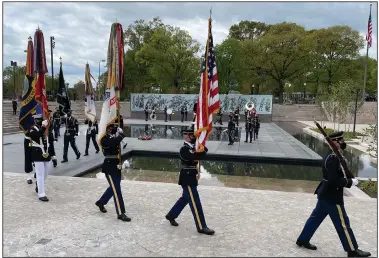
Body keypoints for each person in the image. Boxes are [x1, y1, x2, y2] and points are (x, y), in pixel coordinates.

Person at [296, 131, 371, 257]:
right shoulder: (333, 158)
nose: (342, 143)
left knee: (315, 219)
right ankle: (352, 250)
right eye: (339, 141)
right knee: (343, 224)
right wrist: (349, 182)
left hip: (325, 194)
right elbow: (334, 180)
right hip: (332, 196)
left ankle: (303, 239)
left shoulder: (333, 156)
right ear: (334, 142)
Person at [165, 128, 215, 235]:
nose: (194, 137)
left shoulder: (194, 147)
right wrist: (199, 149)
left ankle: (171, 215)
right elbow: (194, 156)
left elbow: (204, 153)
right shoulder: (184, 149)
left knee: (185, 198)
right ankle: (202, 226)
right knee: (195, 202)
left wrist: (200, 145)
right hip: (187, 178)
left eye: (195, 135)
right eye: (192, 136)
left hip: (192, 177)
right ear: (186, 136)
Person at [95, 123, 131, 222]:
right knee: (117, 191)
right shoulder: (104, 139)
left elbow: (116, 143)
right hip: (109, 168)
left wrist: (118, 135)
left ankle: (101, 202)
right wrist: (120, 135)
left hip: (116, 167)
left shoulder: (113, 138)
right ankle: (121, 213)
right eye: (110, 128)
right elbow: (112, 143)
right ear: (106, 129)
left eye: (113, 129)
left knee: (114, 188)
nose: (112, 130)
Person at [29, 114, 50, 202]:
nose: (40, 121)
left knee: (46, 173)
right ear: (36, 120)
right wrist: (43, 127)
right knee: (40, 174)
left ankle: (38, 184)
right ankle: (41, 194)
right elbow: (36, 135)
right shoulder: (32, 129)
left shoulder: (45, 128)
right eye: (39, 120)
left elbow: (48, 139)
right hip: (37, 153)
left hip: (46, 153)